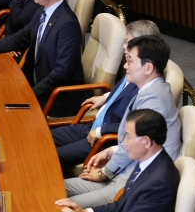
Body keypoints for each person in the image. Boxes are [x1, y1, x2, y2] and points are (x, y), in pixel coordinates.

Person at [64, 35, 181, 208]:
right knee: (54, 188)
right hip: (124, 171)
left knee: (57, 204)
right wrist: (111, 150)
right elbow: (137, 141)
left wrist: (105, 172)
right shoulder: (150, 90)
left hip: (128, 183)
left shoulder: (154, 99)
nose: (125, 65)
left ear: (148, 68)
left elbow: (142, 144)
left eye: (130, 61)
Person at [51, 20, 161, 168]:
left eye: (128, 42)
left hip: (104, 139)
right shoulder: (134, 65)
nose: (123, 46)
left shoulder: (145, 82)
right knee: (42, 138)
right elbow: (123, 91)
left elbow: (136, 126)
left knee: (50, 156)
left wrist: (100, 131)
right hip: (92, 126)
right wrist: (105, 97)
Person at [55, 109, 180, 212]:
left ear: (146, 141)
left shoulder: (159, 183)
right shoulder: (149, 161)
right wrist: (86, 211)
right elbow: (122, 204)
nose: (124, 143)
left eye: (129, 137)